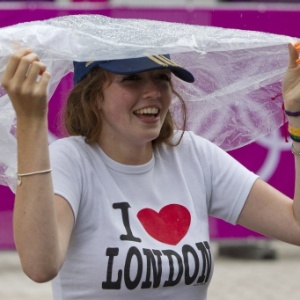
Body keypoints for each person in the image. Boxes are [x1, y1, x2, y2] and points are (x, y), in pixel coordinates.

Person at [1, 43, 300, 300]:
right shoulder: (71, 160)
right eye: (132, 79)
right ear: (92, 94)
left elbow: (295, 224)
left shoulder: (192, 154)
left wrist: (297, 118)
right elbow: (40, 266)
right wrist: (30, 121)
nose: (153, 92)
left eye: (160, 77)